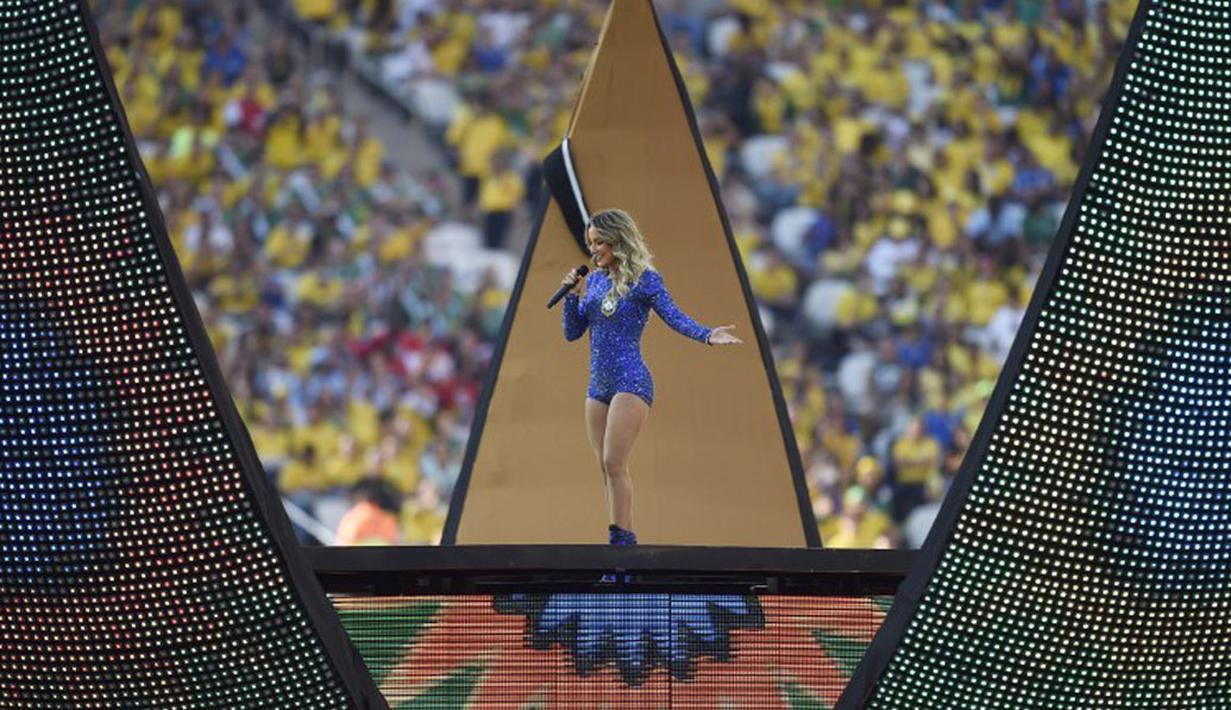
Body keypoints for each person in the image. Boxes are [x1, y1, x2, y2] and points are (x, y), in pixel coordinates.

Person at [559, 208, 742, 551]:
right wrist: (572, 296)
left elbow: (673, 315)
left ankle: (620, 546)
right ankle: (623, 540)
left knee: (614, 461)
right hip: (598, 385)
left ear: (618, 240)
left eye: (599, 242)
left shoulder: (645, 279)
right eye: (590, 243)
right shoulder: (594, 281)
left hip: (630, 380)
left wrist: (706, 334)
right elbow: (572, 333)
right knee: (606, 468)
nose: (593, 249)